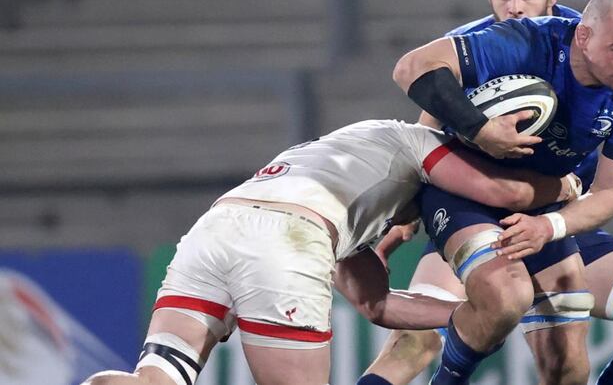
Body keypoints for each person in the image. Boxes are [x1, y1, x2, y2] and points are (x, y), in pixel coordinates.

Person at [359, 0, 613, 385]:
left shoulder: (608, 51)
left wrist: (607, 120)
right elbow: (428, 133)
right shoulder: (490, 44)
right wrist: (398, 222)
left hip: (553, 212)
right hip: (471, 200)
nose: (516, 8)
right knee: (421, 337)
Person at [80, 118, 583, 385]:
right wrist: (564, 187)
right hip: (286, 240)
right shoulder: (414, 141)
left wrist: (466, 315)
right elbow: (503, 194)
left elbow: (375, 304)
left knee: (153, 379)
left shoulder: (344, 175)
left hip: (216, 229)